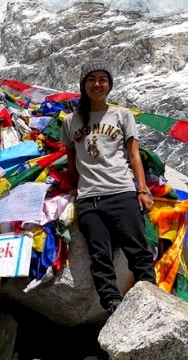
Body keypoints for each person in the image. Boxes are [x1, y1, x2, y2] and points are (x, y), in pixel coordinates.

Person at [61, 58, 156, 316]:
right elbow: (72, 161)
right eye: (91, 79)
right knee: (99, 255)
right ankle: (112, 304)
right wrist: (76, 189)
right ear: (83, 84)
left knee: (138, 250)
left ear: (109, 84)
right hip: (89, 198)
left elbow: (134, 155)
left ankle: (150, 297)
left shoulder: (122, 115)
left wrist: (142, 189)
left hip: (122, 192)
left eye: (102, 79)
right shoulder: (71, 122)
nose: (97, 84)